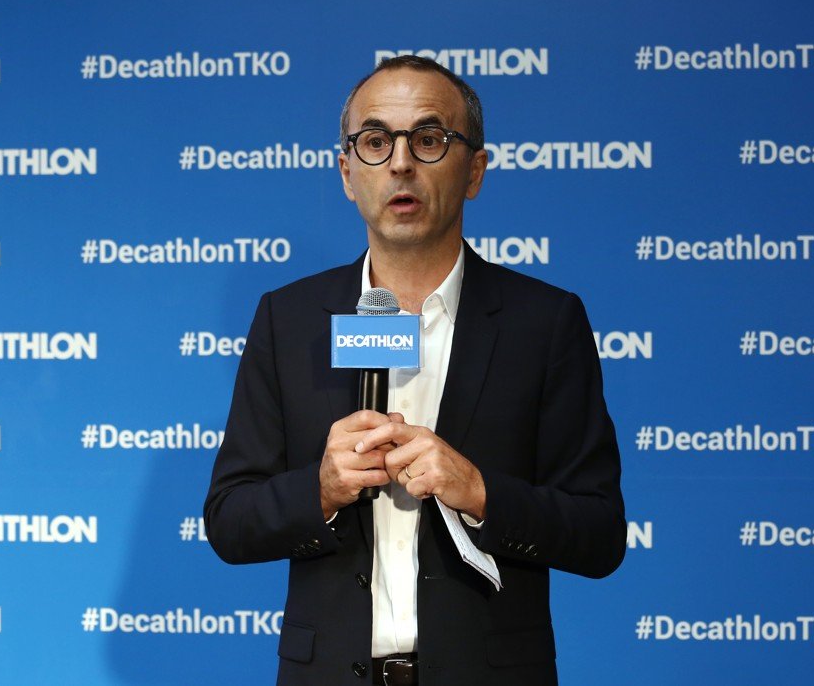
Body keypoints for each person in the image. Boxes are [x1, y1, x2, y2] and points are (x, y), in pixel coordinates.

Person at [204, 55, 626, 686]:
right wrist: (319, 489)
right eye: (375, 141)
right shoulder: (287, 319)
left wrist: (480, 492)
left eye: (428, 139)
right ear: (348, 173)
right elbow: (230, 520)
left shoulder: (545, 322)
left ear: (476, 169)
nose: (400, 162)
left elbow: (599, 535)